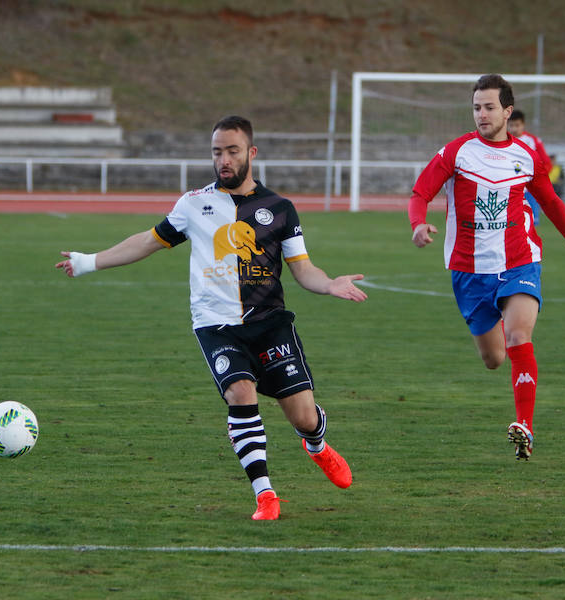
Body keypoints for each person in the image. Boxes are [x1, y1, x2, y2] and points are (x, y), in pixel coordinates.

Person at [55, 115, 367, 520]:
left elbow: (303, 269)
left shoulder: (281, 209)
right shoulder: (192, 204)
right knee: (240, 392)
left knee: (304, 416)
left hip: (270, 322)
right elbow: (146, 242)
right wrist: (88, 262)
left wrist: (329, 284)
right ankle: (265, 494)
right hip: (216, 325)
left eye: (232, 151)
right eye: (217, 151)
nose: (224, 159)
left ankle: (316, 444)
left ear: (251, 153)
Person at [408, 74, 565, 461]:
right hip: (468, 270)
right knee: (494, 359)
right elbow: (421, 192)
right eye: (476, 108)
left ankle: (525, 427)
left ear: (507, 111)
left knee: (519, 336)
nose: (482, 114)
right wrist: (418, 223)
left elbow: (550, 203)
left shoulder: (527, 155)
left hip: (519, 259)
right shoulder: (456, 152)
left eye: (489, 107)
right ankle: (498, 318)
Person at [507, 109, 551, 224]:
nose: (514, 129)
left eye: (517, 125)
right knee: (512, 224)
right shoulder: (503, 141)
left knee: (531, 222)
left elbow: (547, 164)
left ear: (523, 125)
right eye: (511, 125)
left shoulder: (533, 141)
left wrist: (536, 181)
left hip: (530, 190)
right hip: (510, 190)